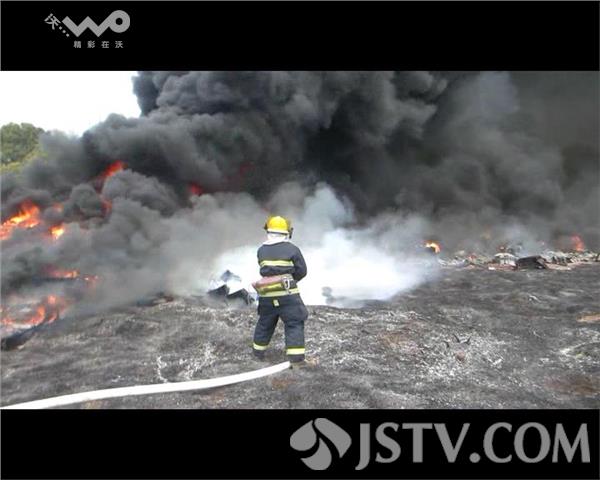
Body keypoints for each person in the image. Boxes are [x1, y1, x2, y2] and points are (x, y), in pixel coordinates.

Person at [252, 216, 309, 365]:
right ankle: (296, 360)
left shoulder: (261, 250)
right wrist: (290, 280)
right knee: (294, 322)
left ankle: (257, 354)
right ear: (287, 232)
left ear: (268, 231)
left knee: (264, 323)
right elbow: (302, 271)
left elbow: (265, 270)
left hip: (266, 295)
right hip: (287, 295)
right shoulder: (292, 249)